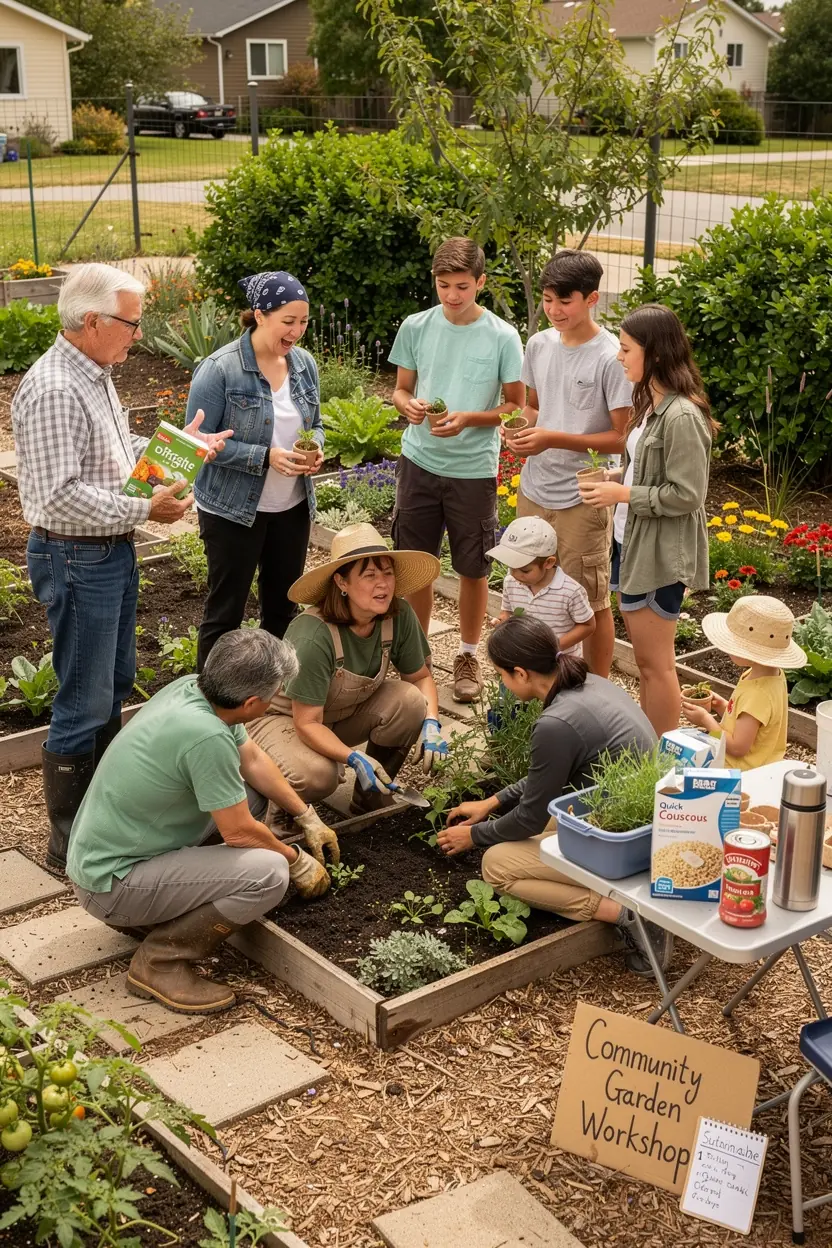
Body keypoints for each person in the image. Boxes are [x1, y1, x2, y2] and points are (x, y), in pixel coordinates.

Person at [11, 262, 230, 875]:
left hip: (105, 551)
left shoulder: (95, 372)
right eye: (132, 323)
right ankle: (68, 843)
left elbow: (109, 459)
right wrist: (146, 506)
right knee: (84, 698)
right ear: (92, 321)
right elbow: (55, 497)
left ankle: (105, 818)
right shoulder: (56, 387)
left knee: (113, 681)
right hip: (77, 554)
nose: (139, 334)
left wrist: (179, 449)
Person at [67, 629, 337, 1015]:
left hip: (114, 857)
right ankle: (160, 962)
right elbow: (240, 831)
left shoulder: (196, 690)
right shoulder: (205, 735)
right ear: (252, 702)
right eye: (276, 692)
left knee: (254, 794)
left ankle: (171, 906)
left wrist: (306, 815)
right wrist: (296, 860)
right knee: (270, 874)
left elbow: (255, 761)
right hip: (113, 886)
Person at [437, 616, 672, 977]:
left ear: (520, 673)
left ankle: (628, 913)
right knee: (542, 825)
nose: (501, 682)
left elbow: (529, 818)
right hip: (648, 824)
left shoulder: (556, 723)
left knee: (496, 864)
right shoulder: (589, 682)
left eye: (500, 674)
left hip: (626, 844)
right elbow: (546, 779)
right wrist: (492, 802)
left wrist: (473, 835)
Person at [389, 237, 525, 703]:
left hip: (473, 470)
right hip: (418, 462)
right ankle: (418, 654)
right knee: (417, 567)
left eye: (462, 286)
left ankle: (467, 654)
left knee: (473, 569)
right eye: (444, 285)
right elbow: (401, 389)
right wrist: (408, 407)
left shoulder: (504, 336)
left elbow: (515, 405)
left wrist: (470, 418)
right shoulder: (416, 326)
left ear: (481, 283)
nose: (451, 295)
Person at [579, 304, 714, 736]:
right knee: (645, 661)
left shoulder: (682, 415)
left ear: (653, 353)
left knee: (655, 666)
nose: (619, 357)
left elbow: (688, 494)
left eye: (625, 349)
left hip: (658, 552)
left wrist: (623, 493)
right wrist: (618, 477)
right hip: (633, 542)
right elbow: (652, 472)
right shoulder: (653, 402)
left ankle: (654, 760)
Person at [248, 523, 448, 815]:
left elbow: (419, 677)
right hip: (282, 719)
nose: (383, 584)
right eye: (369, 575)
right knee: (318, 776)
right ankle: (280, 811)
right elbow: (307, 722)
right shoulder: (313, 635)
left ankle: (372, 795)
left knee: (412, 701)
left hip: (333, 716)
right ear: (342, 583)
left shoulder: (398, 615)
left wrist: (432, 723)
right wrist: (352, 757)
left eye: (387, 573)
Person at [185, 270, 324, 670]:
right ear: (260, 315)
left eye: (303, 322)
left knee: (282, 609)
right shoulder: (220, 369)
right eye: (288, 321)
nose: (297, 331)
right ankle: (209, 706)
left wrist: (315, 449)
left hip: (292, 508)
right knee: (225, 614)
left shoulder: (304, 365)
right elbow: (197, 442)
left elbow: (316, 424)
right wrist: (265, 456)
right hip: (232, 511)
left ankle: (269, 694)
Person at [508, 250, 632, 679]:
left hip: (584, 494)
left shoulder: (610, 355)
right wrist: (518, 431)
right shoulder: (539, 345)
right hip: (534, 487)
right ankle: (537, 678)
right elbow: (534, 408)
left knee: (588, 597)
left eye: (565, 301)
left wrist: (551, 438)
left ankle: (596, 687)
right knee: (531, 586)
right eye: (547, 300)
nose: (554, 310)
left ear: (592, 298)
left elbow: (622, 437)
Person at [681, 596, 806, 770]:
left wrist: (706, 721)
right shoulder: (772, 676)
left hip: (740, 772)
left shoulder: (757, 694)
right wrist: (722, 706)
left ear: (749, 651)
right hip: (763, 764)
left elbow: (737, 748)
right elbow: (748, 722)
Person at [488, 516, 595, 657]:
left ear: (548, 563)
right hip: (524, 657)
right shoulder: (510, 582)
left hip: (560, 663)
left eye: (525, 570)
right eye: (511, 567)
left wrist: (554, 647)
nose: (515, 574)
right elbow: (507, 612)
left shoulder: (570, 591)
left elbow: (588, 625)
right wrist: (502, 622)